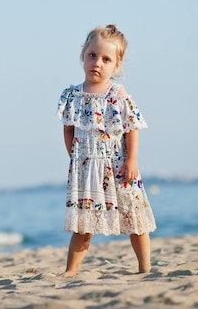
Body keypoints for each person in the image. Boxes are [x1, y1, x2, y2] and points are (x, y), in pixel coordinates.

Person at [56, 24, 156, 277]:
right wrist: (76, 158)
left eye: (106, 59)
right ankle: (71, 270)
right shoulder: (72, 95)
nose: (97, 63)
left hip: (119, 165)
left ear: (116, 65)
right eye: (92, 55)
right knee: (83, 224)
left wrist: (132, 160)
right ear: (83, 55)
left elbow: (132, 127)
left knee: (134, 218)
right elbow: (68, 130)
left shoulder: (117, 94)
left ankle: (145, 267)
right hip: (86, 168)